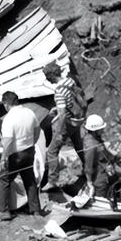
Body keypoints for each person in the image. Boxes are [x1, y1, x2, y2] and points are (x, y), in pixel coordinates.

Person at [0, 91, 41, 221]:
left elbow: (8, 141)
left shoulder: (9, 118)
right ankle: (35, 210)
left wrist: (4, 157)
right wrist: (32, 143)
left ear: (6, 103)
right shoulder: (29, 113)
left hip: (15, 154)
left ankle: (3, 210)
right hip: (29, 150)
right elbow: (37, 130)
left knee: (4, 179)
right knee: (29, 180)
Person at [42, 62, 87, 191]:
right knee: (79, 146)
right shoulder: (70, 81)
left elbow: (62, 115)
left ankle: (52, 180)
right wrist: (57, 108)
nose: (46, 79)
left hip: (67, 123)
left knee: (51, 152)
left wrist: (59, 133)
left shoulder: (59, 91)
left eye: (47, 76)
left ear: (51, 76)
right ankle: (88, 168)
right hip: (77, 119)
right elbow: (71, 101)